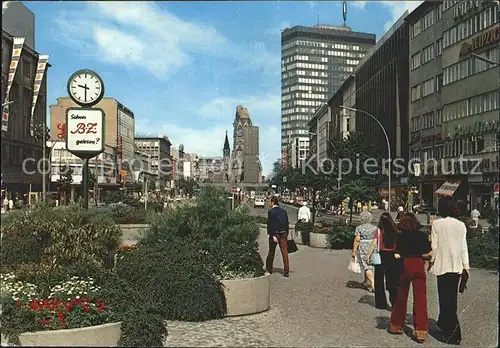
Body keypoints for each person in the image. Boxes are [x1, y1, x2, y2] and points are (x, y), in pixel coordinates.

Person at [429, 198, 470, 345]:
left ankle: (453, 333)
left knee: (444, 299)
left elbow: (434, 247)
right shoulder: (461, 225)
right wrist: (466, 266)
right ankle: (444, 324)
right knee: (452, 300)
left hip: (442, 265)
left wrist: (431, 261)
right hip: (457, 266)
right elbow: (463, 247)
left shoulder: (437, 224)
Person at [389, 213, 432, 343]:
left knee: (401, 296)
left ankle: (396, 325)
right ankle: (421, 331)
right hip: (418, 264)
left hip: (404, 264)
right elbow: (428, 254)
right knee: (420, 297)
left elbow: (396, 253)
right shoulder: (423, 236)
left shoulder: (400, 237)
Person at [366, 212, 401, 310]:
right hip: (393, 256)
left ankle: (381, 303)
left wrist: (368, 255)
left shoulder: (378, 231)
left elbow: (374, 244)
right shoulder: (395, 231)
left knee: (379, 280)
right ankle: (394, 302)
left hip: (381, 256)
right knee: (392, 281)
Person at [351, 211, 377, 291]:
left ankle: (373, 284)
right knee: (371, 265)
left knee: (366, 266)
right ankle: (366, 282)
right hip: (373, 246)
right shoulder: (375, 228)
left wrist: (354, 250)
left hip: (363, 247)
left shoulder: (359, 228)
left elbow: (357, 239)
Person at [266, 196, 290, 277]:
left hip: (275, 234)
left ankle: (269, 269)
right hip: (283, 233)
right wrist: (287, 233)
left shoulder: (271, 212)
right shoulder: (284, 211)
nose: (269, 203)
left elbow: (270, 225)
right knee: (284, 252)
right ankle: (286, 271)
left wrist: (273, 235)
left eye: (270, 201)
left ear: (273, 202)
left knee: (271, 251)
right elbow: (286, 223)